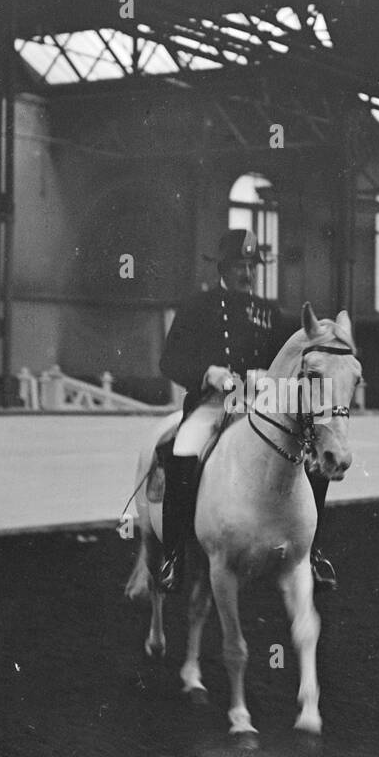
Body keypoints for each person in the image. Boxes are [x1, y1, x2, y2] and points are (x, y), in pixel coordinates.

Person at [156, 228, 337, 594]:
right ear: (223, 267)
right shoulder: (198, 307)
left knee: (310, 458)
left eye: (252, 265)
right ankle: (173, 553)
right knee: (183, 453)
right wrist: (207, 373)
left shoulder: (271, 314)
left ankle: (312, 551)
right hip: (213, 404)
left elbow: (291, 357)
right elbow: (169, 360)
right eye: (240, 265)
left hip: (259, 405)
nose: (247, 272)